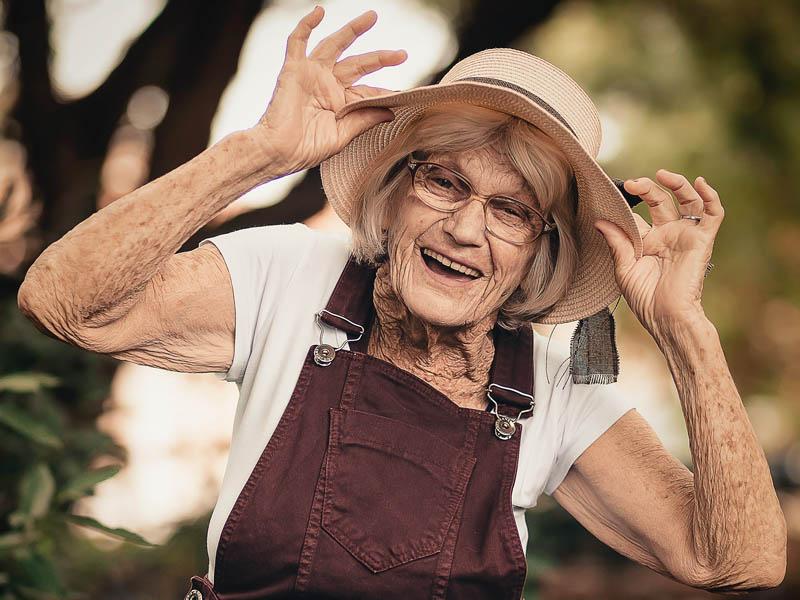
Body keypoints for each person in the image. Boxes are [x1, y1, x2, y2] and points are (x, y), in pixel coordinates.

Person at [18, 7, 786, 599]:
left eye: (511, 211)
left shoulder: (555, 391)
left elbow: (739, 561)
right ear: (397, 190)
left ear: (537, 254)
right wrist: (259, 153)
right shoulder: (291, 275)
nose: (465, 229)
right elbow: (62, 302)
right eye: (444, 182)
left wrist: (687, 331)